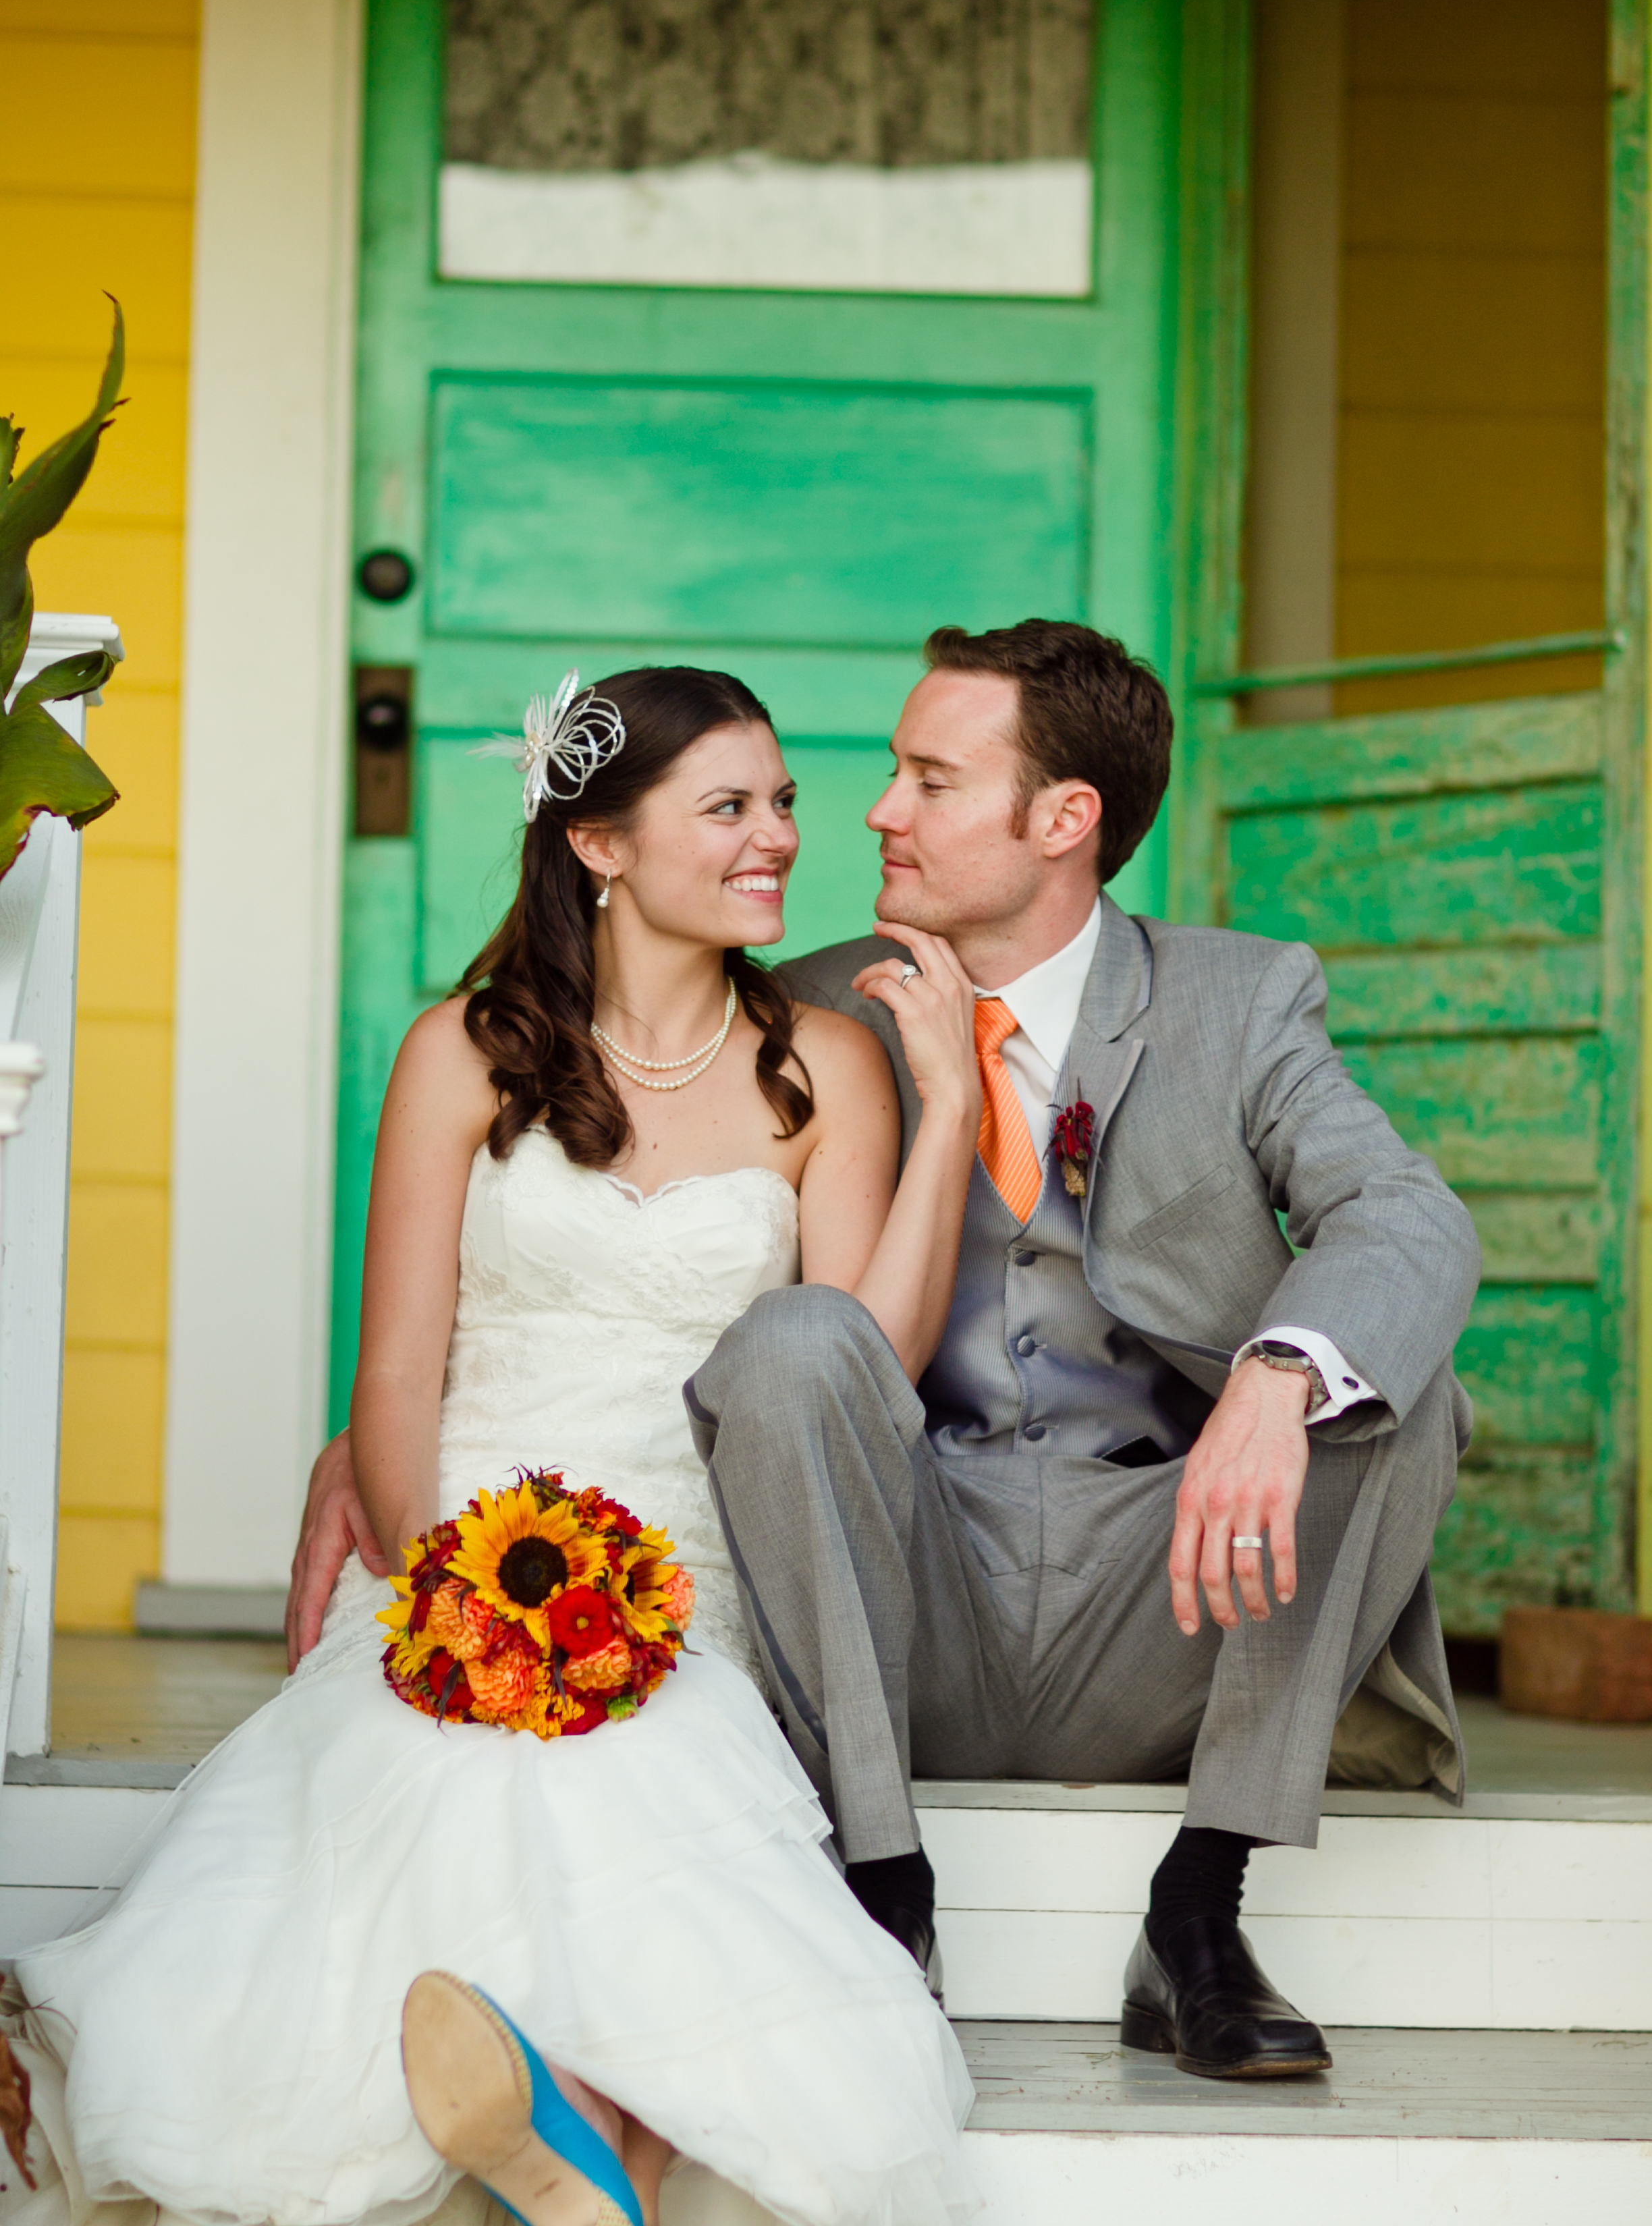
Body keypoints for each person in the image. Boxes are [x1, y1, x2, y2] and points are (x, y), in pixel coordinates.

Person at [292, 619, 1480, 2086]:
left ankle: (1201, 1907)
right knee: (801, 1341)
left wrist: (1283, 1372)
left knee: (1396, 1381)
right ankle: (882, 1884)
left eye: (928, 777)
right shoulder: (809, 1006)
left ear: (1063, 820)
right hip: (896, 1574)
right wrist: (377, 1442)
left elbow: (1409, 1219)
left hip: (1157, 1585)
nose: (866, 812)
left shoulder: (1242, 1003)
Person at [5, 667, 985, 2226]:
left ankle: (569, 2134)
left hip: (699, 1569)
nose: (780, 840)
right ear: (599, 844)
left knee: (642, 1776)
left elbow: (872, 1366)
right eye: (729, 807)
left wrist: (948, 1115)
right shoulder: (462, 1052)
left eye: (785, 802)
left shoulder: (827, 1064)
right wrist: (440, 1591)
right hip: (456, 1553)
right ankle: (584, 2141)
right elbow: (396, 1374)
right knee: (454, 1776)